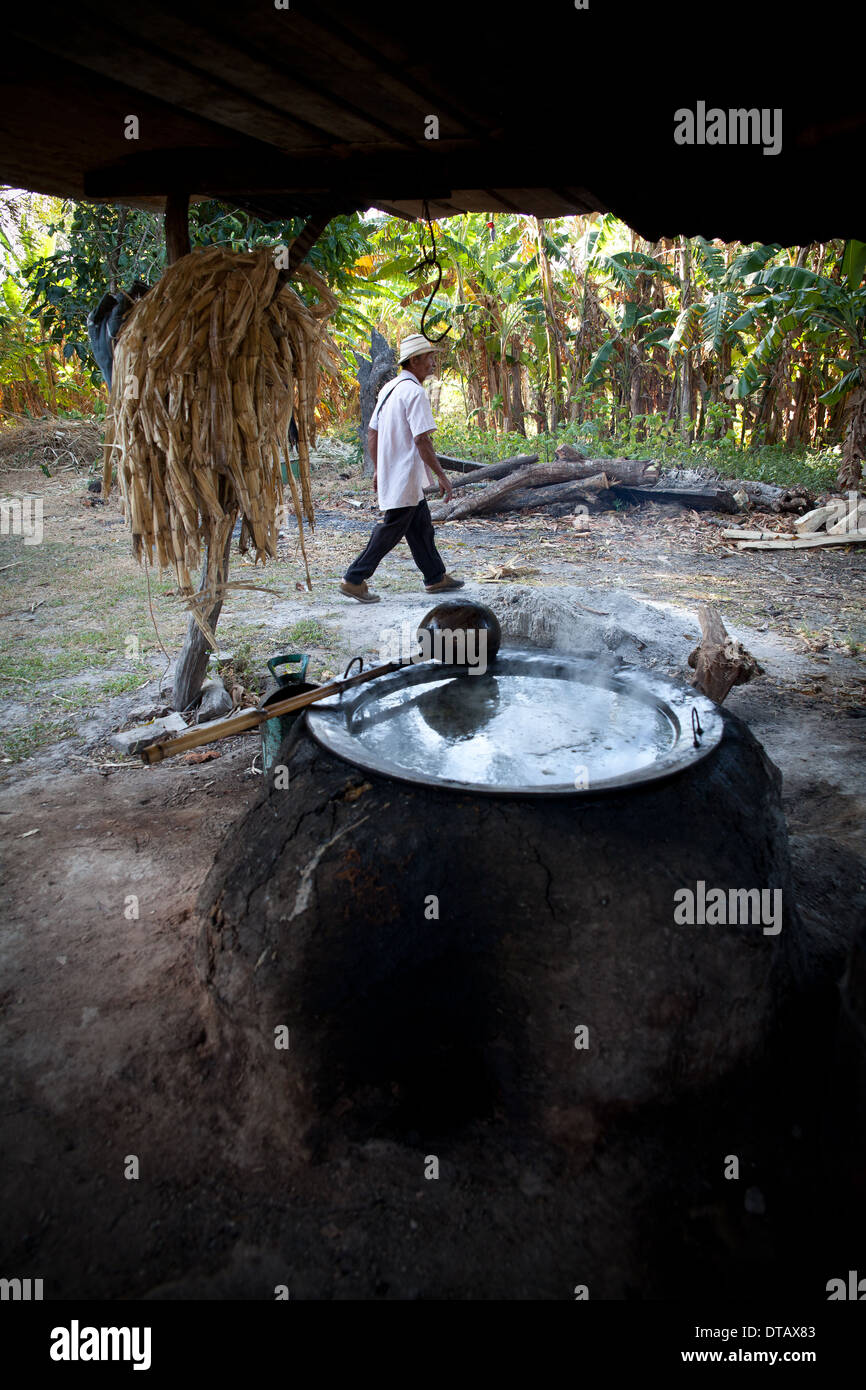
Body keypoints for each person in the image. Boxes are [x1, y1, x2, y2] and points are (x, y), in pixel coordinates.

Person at [340, 333, 464, 603]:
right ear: (415, 360)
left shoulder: (389, 389)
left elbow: (372, 432)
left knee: (420, 527)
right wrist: (442, 476)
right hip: (406, 474)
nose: (433, 362)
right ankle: (354, 578)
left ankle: (435, 577)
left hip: (396, 473)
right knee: (392, 529)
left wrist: (377, 468)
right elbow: (422, 439)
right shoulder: (415, 392)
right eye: (429, 357)